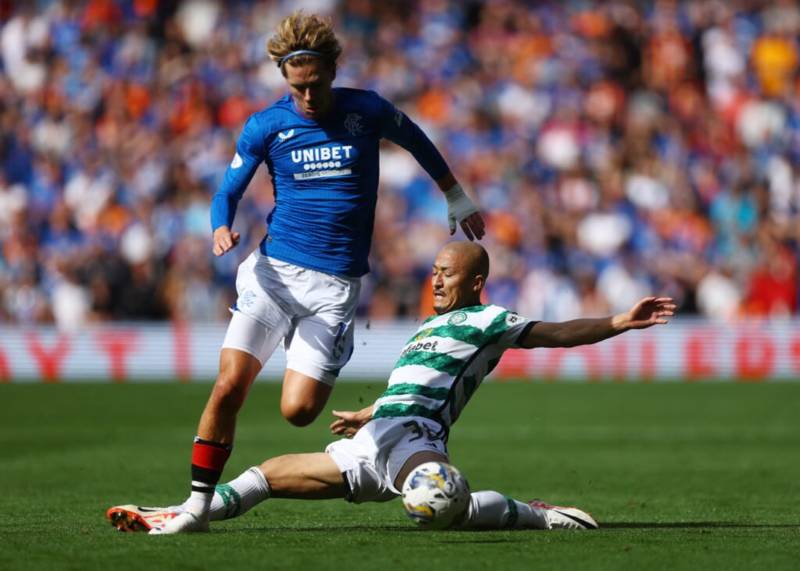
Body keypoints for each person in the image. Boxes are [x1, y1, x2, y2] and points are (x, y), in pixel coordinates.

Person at [155, 11, 485, 534]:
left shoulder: (366, 110)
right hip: (273, 274)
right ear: (285, 79)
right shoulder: (266, 126)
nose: (308, 97)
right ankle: (197, 507)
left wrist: (455, 194)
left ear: (333, 70)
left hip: (334, 288)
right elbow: (227, 191)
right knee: (229, 385)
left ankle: (330, 348)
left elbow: (417, 140)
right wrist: (220, 227)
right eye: (297, 87)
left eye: (315, 84)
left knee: (300, 412)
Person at [108, 242, 675, 534]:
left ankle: (536, 515)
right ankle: (183, 513)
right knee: (265, 475)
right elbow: (413, 385)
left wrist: (617, 322)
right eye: (435, 270)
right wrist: (367, 413)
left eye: (447, 272)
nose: (436, 279)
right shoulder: (426, 326)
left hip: (414, 442)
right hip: (371, 440)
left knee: (437, 496)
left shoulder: (490, 321)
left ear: (475, 281)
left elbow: (557, 333)